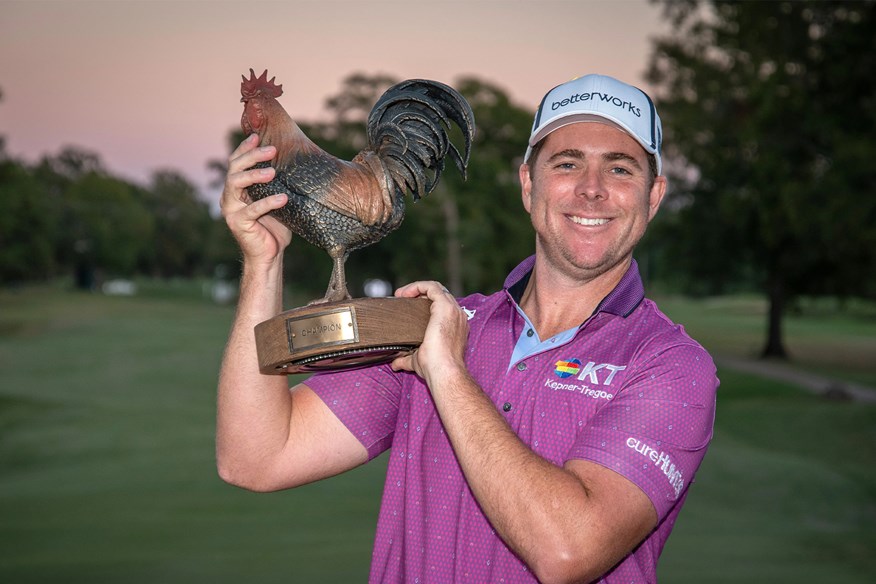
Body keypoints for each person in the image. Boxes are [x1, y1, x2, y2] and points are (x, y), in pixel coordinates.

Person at [217, 74, 718, 583]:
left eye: (619, 168)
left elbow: (568, 551)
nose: (591, 189)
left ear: (653, 196)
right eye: (567, 164)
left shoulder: (672, 365)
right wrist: (264, 261)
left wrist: (448, 374)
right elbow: (255, 457)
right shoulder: (436, 326)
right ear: (528, 184)